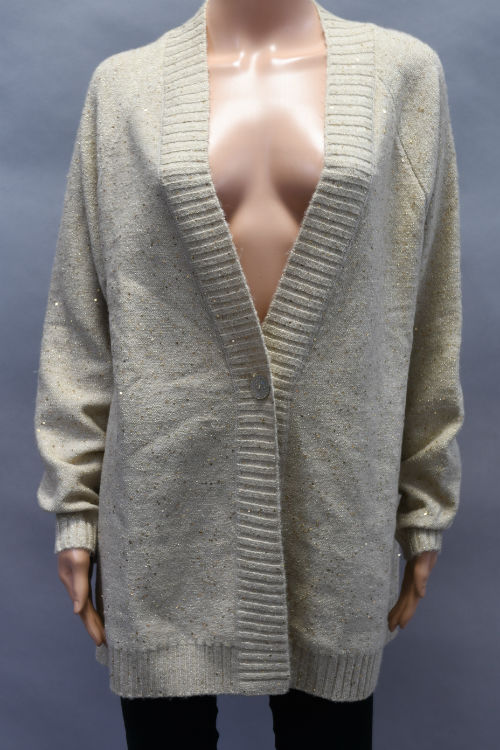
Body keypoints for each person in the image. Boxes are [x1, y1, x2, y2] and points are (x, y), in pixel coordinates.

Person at [34, 1, 464, 747]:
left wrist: (423, 504)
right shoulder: (124, 87)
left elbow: (430, 311)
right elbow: (81, 316)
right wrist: (75, 505)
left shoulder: (404, 76)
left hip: (335, 515)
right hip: (163, 518)